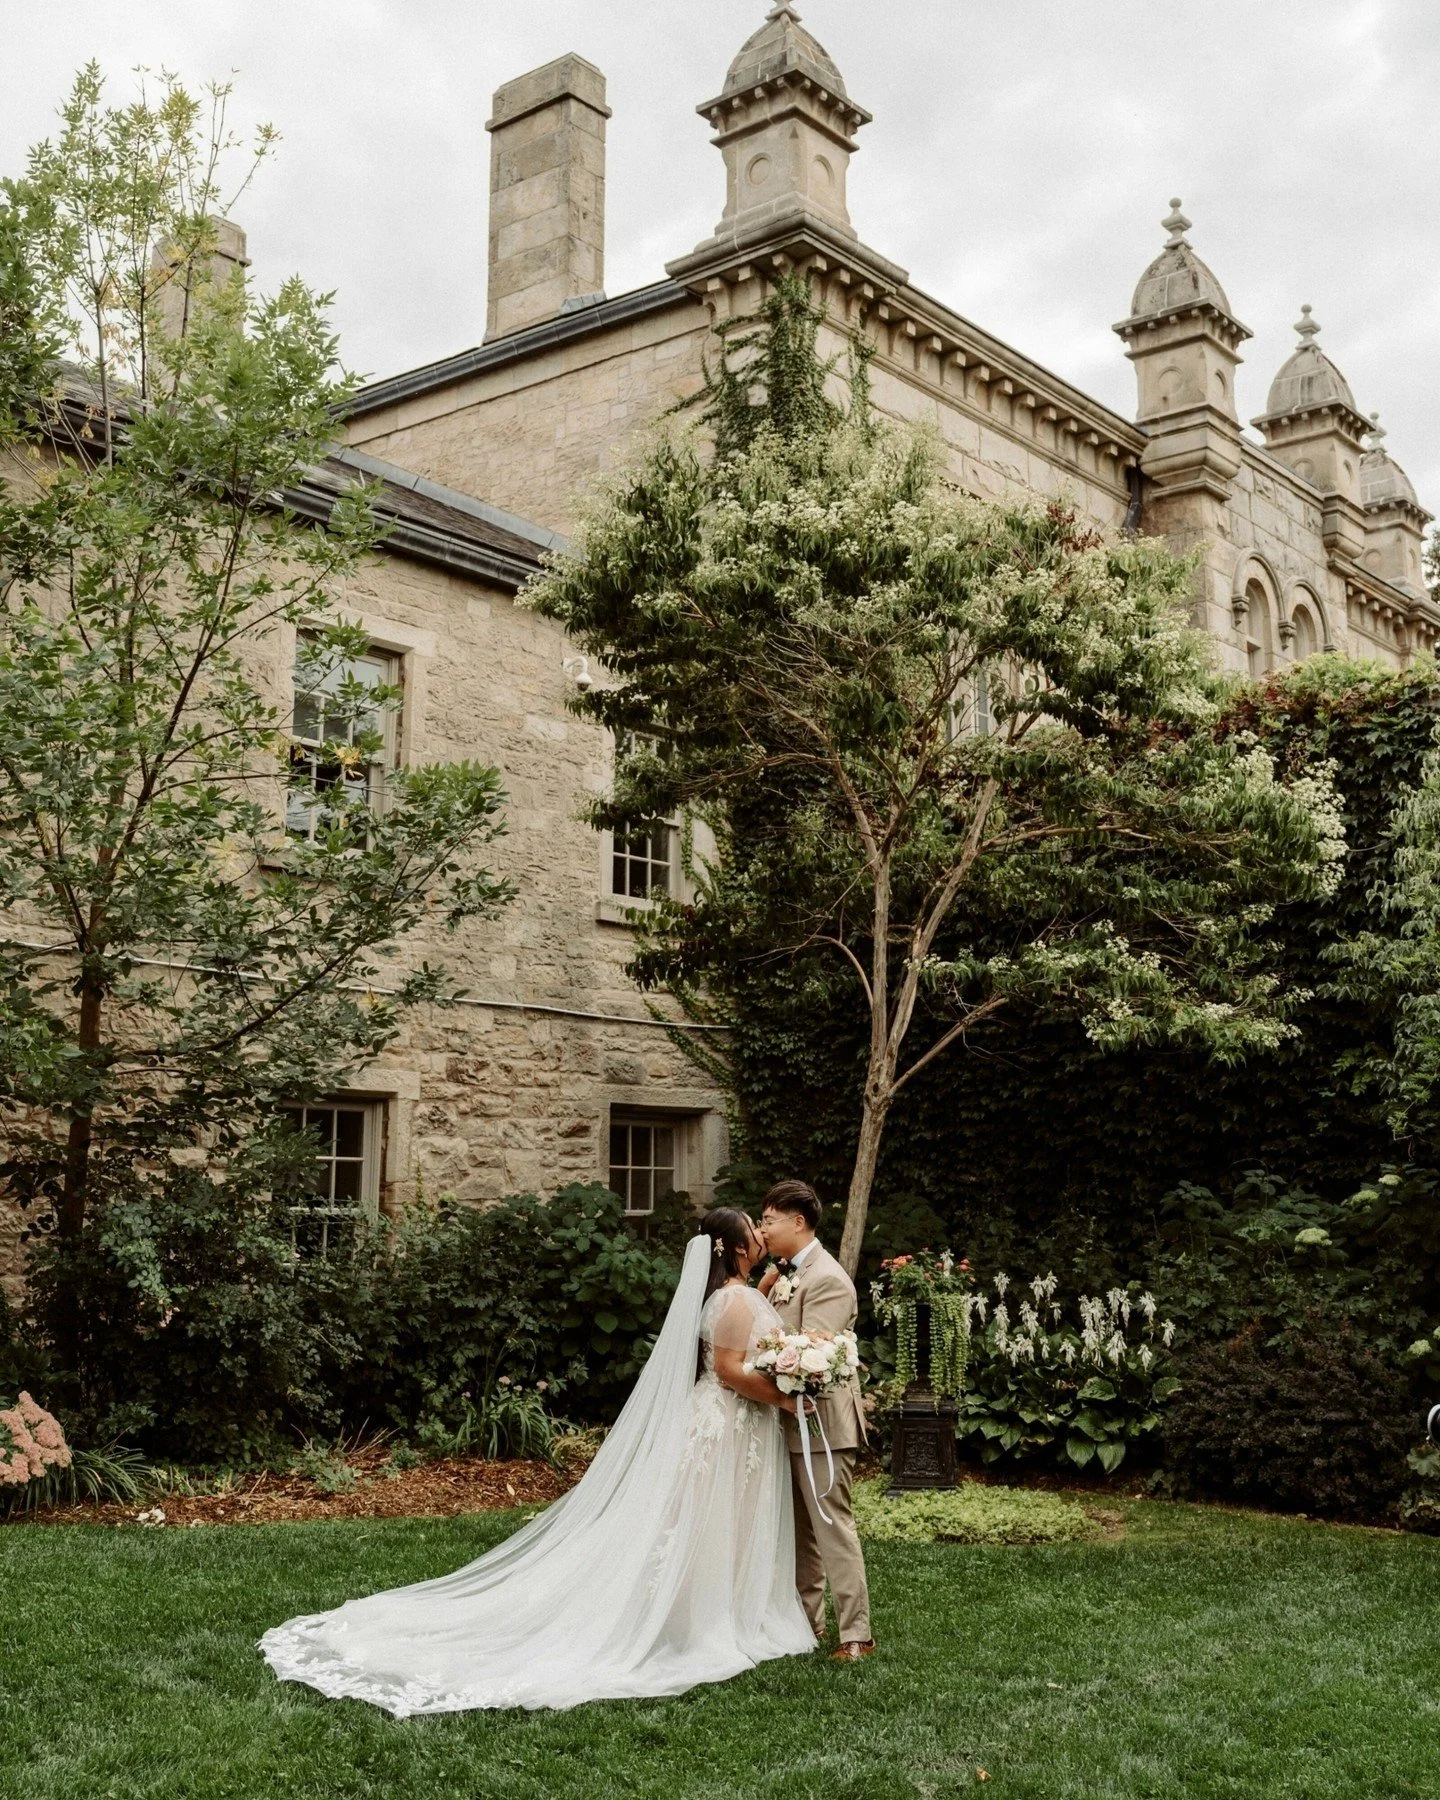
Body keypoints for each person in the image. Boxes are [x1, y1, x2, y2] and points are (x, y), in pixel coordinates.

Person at [259, 1209, 815, 1714]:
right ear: (733, 1247)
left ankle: (711, 1607)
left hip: (735, 1427)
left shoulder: (738, 1294)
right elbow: (729, 1372)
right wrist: (792, 1395)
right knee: (710, 1518)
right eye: (753, 1227)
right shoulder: (735, 1301)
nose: (761, 1232)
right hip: (728, 1424)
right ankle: (699, 1620)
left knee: (716, 1518)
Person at [758, 1180, 875, 1661]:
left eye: (769, 1220)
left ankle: (857, 1635)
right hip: (790, 1422)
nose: (762, 1229)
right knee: (799, 1531)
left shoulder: (827, 1278)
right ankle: (807, 1625)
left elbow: (814, 1354)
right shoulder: (785, 1272)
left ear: (798, 1221)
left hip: (823, 1423)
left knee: (832, 1526)